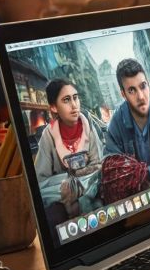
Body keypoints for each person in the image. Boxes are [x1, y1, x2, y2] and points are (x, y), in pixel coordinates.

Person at [33, 79, 106, 225]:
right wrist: (67, 186)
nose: (74, 105)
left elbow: (99, 166)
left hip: (91, 185)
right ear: (54, 107)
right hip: (62, 193)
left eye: (75, 97)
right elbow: (41, 181)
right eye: (66, 100)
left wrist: (79, 179)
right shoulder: (49, 135)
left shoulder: (88, 127)